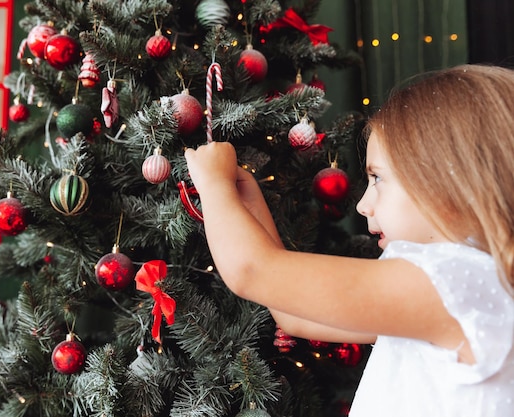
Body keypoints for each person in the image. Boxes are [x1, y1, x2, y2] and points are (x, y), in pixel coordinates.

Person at [184, 64, 514, 417]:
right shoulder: (457, 287)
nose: (362, 204)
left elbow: (252, 272)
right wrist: (245, 200)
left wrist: (214, 185)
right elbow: (292, 314)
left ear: (449, 184)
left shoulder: (456, 283)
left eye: (378, 179)